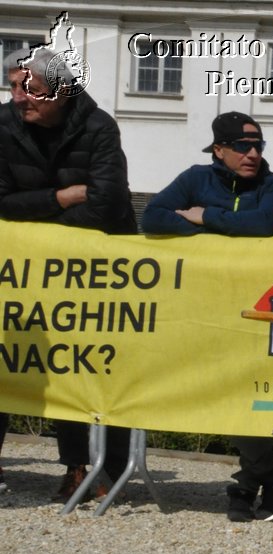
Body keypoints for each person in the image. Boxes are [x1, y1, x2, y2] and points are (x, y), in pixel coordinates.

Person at [144, 111, 273, 522]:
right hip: (204, 310)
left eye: (258, 146)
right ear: (219, 149)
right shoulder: (195, 177)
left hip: (258, 311)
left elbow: (268, 224)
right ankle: (267, 475)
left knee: (243, 395)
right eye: (242, 146)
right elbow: (154, 216)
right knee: (221, 394)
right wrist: (223, 233)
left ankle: (251, 483)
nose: (252, 154)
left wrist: (207, 218)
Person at [1, 45, 137, 501]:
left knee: (98, 364)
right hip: (26, 273)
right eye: (14, 87)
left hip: (101, 272)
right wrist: (59, 200)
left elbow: (107, 203)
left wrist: (38, 227)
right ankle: (73, 466)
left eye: (30, 90)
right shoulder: (4, 125)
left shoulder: (99, 127)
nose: (19, 98)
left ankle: (108, 472)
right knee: (22, 360)